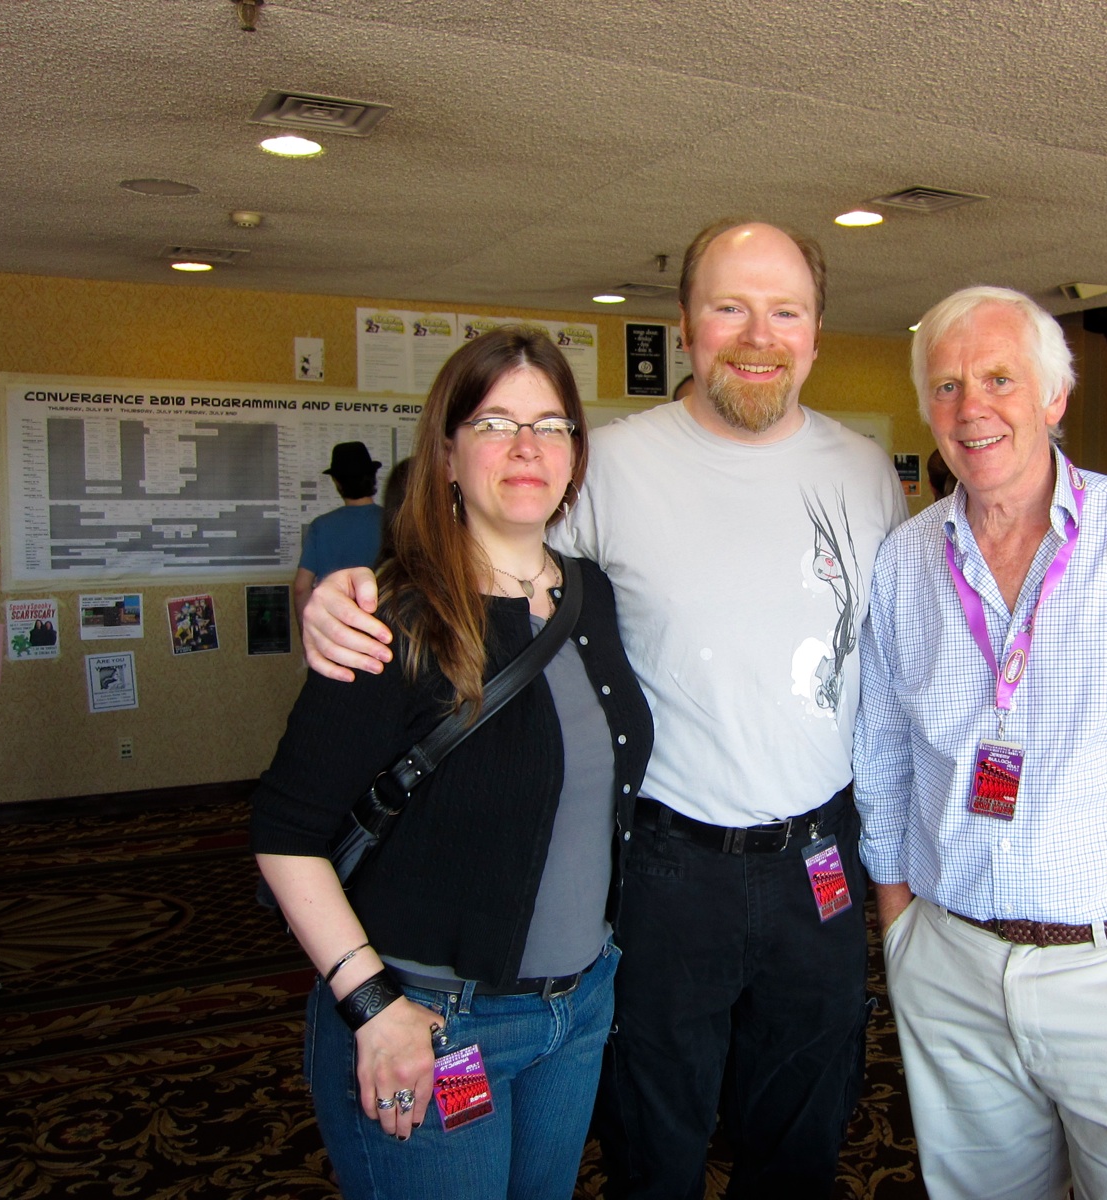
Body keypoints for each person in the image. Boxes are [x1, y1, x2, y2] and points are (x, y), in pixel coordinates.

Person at [299, 219, 907, 1198]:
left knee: (806, 1125)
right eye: (729, 307)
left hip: (821, 866)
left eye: (784, 311)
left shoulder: (865, 473)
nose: (758, 333)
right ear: (684, 326)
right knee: (653, 1134)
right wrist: (351, 589)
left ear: (817, 332)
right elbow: (486, 537)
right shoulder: (611, 464)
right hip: (669, 866)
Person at [854, 286, 1107, 1199]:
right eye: (949, 385)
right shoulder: (906, 558)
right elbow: (881, 752)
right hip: (952, 967)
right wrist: (901, 928)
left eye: (1001, 378)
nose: (973, 407)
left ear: (1054, 397)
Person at [251, 327, 653, 1200]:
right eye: (494, 422)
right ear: (446, 453)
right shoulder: (391, 616)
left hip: (576, 1009)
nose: (524, 447)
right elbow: (284, 833)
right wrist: (370, 1004)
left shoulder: (591, 592)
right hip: (429, 1021)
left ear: (575, 455)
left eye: (550, 425)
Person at [294, 441, 384, 628]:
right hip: (383, 630)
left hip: (334, 633)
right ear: (373, 476)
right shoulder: (394, 522)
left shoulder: (320, 526)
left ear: (337, 482)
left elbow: (301, 588)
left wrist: (308, 637)